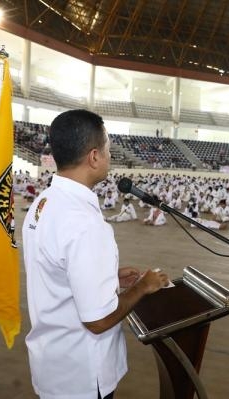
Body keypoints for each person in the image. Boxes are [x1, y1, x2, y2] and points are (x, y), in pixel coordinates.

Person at [22, 109, 170, 399]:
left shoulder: (44, 203)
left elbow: (56, 271)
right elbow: (98, 320)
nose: (109, 157)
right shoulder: (84, 222)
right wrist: (143, 286)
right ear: (93, 157)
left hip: (54, 365)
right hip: (82, 376)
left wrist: (108, 278)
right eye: (107, 150)